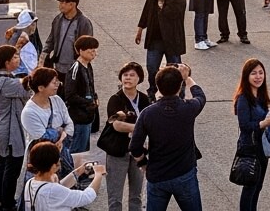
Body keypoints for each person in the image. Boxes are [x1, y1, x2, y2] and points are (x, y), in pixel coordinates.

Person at [130, 64, 206, 210]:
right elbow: (200, 96)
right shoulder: (188, 108)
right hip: (184, 173)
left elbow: (135, 147)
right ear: (179, 86)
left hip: (157, 175)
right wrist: (187, 78)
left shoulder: (148, 113)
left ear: (158, 86)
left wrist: (143, 163)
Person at [0, 45, 30, 211]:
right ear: (7, 62)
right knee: (12, 169)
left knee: (2, 165)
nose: (18, 60)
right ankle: (8, 203)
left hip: (0, 128)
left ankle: (0, 200)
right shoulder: (7, 83)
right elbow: (26, 90)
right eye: (15, 57)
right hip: (11, 132)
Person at [102, 62, 149, 211]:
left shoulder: (144, 99)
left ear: (139, 79)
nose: (128, 78)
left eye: (132, 75)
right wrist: (140, 129)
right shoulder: (116, 99)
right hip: (117, 151)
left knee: (136, 195)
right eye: (125, 75)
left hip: (138, 151)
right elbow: (117, 125)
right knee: (115, 197)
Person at [235, 59, 270, 211]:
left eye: (261, 73)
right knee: (250, 187)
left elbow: (263, 118)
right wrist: (265, 123)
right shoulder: (243, 98)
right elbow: (244, 126)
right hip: (250, 148)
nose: (258, 77)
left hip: (262, 147)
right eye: (254, 73)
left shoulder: (261, 95)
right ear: (246, 76)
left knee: (258, 186)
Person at [135, 0, 187, 98]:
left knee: (176, 69)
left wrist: (162, 2)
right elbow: (146, 12)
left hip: (172, 39)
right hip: (155, 38)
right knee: (152, 67)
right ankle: (153, 91)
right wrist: (140, 30)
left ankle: (178, 94)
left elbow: (173, 14)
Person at [21, 140, 105, 211]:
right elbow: (86, 197)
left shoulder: (30, 183)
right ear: (53, 166)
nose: (60, 162)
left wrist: (78, 171)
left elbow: (59, 188)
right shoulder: (52, 190)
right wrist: (98, 174)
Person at [21, 67, 75, 176]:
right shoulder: (29, 112)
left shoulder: (57, 100)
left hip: (62, 156)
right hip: (41, 161)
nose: (57, 85)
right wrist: (62, 131)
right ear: (41, 88)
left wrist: (61, 135)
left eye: (57, 82)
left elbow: (70, 125)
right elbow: (44, 138)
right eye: (54, 83)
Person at [62, 35, 101, 157]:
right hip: (79, 117)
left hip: (88, 115)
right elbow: (70, 96)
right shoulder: (75, 69)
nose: (94, 53)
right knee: (77, 153)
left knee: (84, 151)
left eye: (95, 50)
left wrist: (95, 98)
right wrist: (88, 102)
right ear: (81, 51)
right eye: (91, 50)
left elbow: (90, 87)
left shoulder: (88, 66)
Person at [43, 0, 94, 72]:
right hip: (58, 66)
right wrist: (44, 54)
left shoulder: (84, 23)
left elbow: (88, 47)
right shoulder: (58, 19)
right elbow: (51, 39)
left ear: (72, 4)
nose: (60, 5)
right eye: (60, 2)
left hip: (75, 68)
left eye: (63, 2)